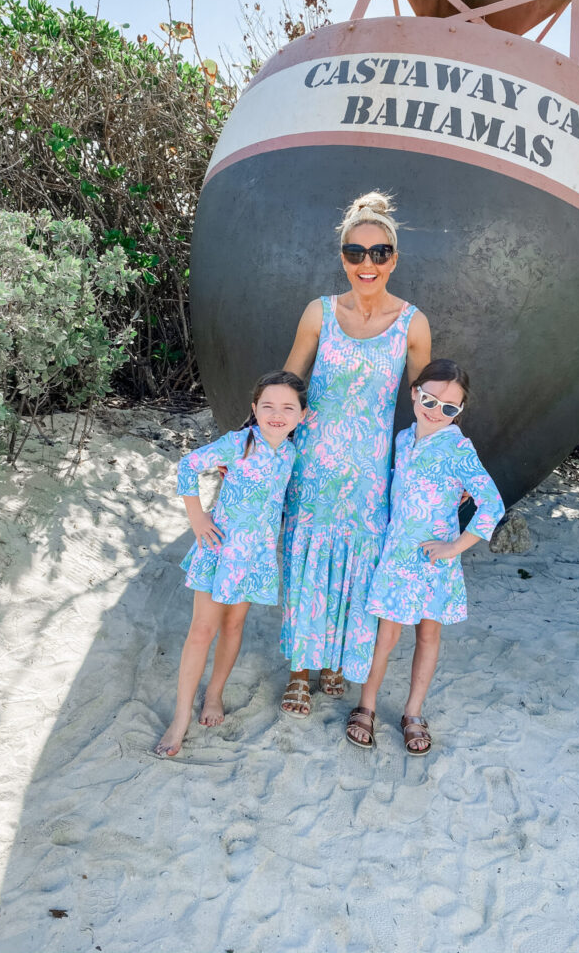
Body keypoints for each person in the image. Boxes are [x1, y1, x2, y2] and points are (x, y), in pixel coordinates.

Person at [279, 191, 432, 716]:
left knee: (358, 566)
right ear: (342, 255)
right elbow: (289, 383)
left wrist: (434, 469)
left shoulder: (413, 324)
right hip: (314, 464)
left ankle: (337, 661)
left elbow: (423, 408)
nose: (367, 264)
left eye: (380, 252)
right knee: (307, 561)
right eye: (356, 252)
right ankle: (300, 671)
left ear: (395, 257)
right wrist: (257, 440)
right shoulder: (319, 313)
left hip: (370, 474)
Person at [345, 358, 505, 755]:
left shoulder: (459, 449)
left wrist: (455, 547)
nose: (437, 412)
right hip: (398, 555)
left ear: (460, 411)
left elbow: (493, 504)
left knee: (428, 634)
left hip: (435, 560)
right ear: (415, 392)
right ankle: (367, 703)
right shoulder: (402, 439)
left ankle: (413, 711)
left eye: (450, 408)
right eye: (431, 400)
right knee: (386, 635)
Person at [155, 371, 306, 756]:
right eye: (267, 406)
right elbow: (188, 465)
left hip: (256, 558)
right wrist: (198, 518)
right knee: (202, 630)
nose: (277, 414)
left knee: (234, 625)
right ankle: (180, 717)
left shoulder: (290, 452)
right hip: (220, 551)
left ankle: (214, 695)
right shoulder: (239, 444)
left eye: (288, 408)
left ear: (302, 416)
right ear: (254, 409)